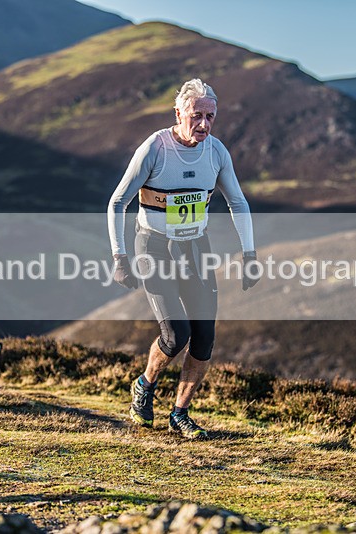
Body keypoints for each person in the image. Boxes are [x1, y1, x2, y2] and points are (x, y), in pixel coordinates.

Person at [107, 78, 259, 439]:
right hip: (154, 248)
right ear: (178, 114)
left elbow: (237, 202)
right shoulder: (154, 149)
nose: (204, 124)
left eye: (210, 116)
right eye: (196, 116)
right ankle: (144, 385)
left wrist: (249, 253)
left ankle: (180, 413)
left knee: (204, 338)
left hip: (195, 249)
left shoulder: (217, 152)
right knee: (176, 335)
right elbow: (118, 202)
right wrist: (120, 256)